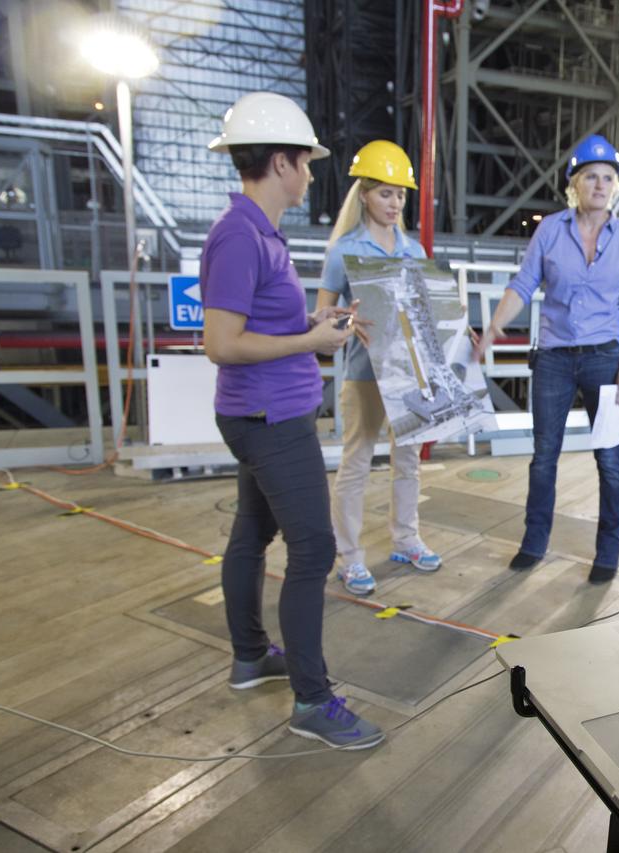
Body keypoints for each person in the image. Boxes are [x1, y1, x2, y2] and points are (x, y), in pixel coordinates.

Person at [201, 91, 383, 749]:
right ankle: (312, 699)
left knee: (253, 531)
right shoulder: (239, 235)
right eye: (306, 162)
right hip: (268, 415)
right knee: (315, 548)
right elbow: (220, 342)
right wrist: (310, 344)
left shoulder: (259, 232)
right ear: (281, 161)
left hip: (265, 409)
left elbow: (259, 325)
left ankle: (252, 656)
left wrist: (315, 325)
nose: (311, 175)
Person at [474, 134, 619, 584]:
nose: (601, 184)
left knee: (609, 458)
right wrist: (493, 328)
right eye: (591, 176)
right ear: (575, 183)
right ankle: (534, 543)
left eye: (608, 177)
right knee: (543, 456)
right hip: (553, 357)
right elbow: (523, 285)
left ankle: (608, 551)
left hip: (606, 359)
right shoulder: (551, 229)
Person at [316, 140, 441, 596]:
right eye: (385, 193)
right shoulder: (344, 251)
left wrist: (452, 329)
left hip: (408, 375)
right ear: (365, 193)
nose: (394, 203)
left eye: (400, 195)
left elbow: (426, 313)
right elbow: (322, 318)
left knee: (408, 462)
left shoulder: (413, 249)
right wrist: (348, 319)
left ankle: (406, 539)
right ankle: (349, 558)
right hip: (365, 374)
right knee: (357, 463)